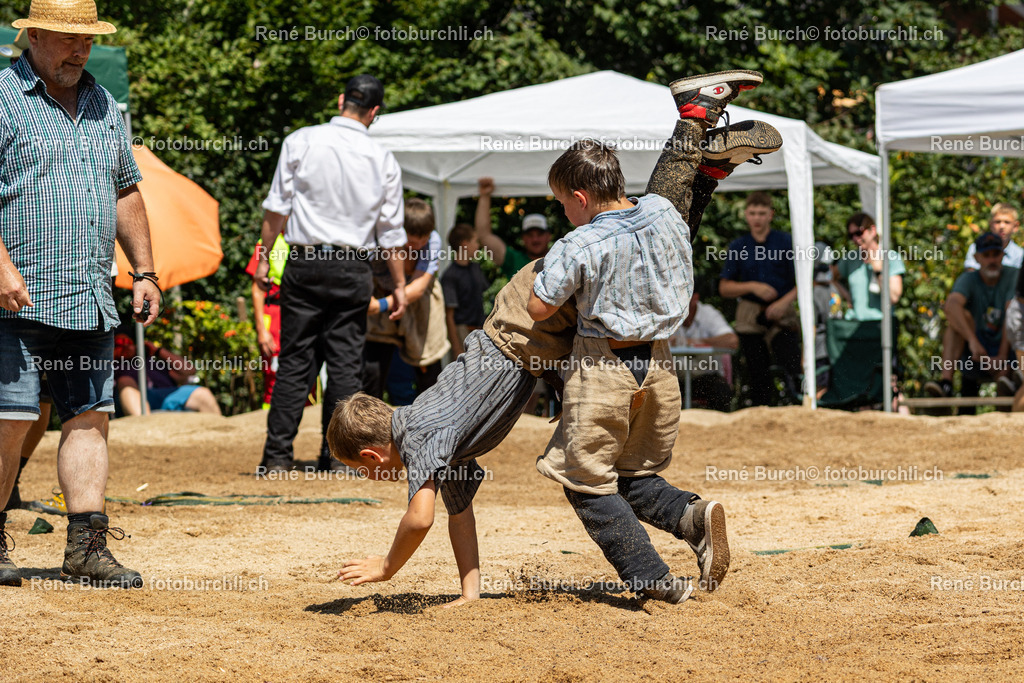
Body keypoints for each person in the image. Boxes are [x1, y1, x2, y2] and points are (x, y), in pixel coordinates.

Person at [331, 70, 782, 607]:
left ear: (372, 455)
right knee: (654, 233)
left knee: (632, 239)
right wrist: (470, 593)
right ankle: (702, 164)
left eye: (363, 472)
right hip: (542, 346)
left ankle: (694, 131)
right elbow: (458, 513)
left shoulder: (420, 435)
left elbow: (420, 518)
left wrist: (386, 567)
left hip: (519, 330)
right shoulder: (440, 445)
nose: (373, 479)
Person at [529, 71, 779, 602]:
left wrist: (555, 274)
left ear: (580, 197)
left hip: (604, 371)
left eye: (562, 203)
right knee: (633, 477)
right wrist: (696, 170)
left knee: (584, 480)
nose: (563, 213)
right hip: (661, 370)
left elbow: (538, 305)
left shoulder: (579, 243)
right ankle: (693, 517)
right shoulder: (660, 216)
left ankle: (652, 577)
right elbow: (670, 193)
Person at [0, 2, 161, 589]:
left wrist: (145, 271)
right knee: (10, 419)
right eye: (69, 39)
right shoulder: (2, 98)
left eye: (87, 41)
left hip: (89, 295)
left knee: (90, 418)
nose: (81, 50)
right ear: (34, 35)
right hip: (14, 297)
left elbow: (125, 190)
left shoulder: (103, 104)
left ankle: (86, 549)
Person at [254, 74, 408, 474]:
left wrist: (263, 259)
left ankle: (276, 458)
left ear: (341, 100)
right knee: (345, 366)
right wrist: (400, 286)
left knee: (295, 362)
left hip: (304, 263)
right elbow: (391, 233)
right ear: (374, 112)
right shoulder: (383, 159)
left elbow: (276, 208)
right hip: (353, 267)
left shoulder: (300, 140)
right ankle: (339, 460)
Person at [719, 192, 801, 406]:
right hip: (750, 314)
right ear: (746, 214)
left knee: (791, 369)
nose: (757, 218)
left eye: (762, 213)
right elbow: (724, 288)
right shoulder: (738, 246)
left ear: (771, 215)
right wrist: (753, 286)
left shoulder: (786, 241)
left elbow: (804, 280)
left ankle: (795, 409)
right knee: (757, 373)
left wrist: (783, 303)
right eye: (753, 213)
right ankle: (759, 413)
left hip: (783, 312)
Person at [363, 198, 449, 399]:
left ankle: (434, 414)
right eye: (412, 242)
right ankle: (367, 415)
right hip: (381, 295)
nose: (418, 247)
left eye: (423, 241)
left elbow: (419, 287)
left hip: (419, 304)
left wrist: (380, 305)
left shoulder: (434, 241)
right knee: (372, 369)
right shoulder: (379, 238)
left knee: (428, 364)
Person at [924, 232, 1020, 410]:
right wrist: (973, 342)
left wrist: (1002, 356)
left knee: (1018, 312)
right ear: (977, 258)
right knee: (955, 325)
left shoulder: (1013, 275)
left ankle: (1010, 385)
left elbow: (1012, 315)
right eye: (986, 255)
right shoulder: (968, 279)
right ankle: (946, 384)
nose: (991, 260)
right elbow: (951, 306)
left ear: (1002, 255)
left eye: (995, 254)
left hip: (1007, 350)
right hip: (976, 353)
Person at [667, 284, 739, 411]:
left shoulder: (708, 314)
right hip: (675, 379)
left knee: (721, 391)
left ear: (695, 298)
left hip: (705, 378)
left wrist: (693, 342)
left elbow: (732, 341)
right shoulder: (667, 315)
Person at [113, 335, 221, 416]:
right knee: (125, 382)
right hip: (134, 398)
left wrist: (157, 351)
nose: (125, 346)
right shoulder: (112, 366)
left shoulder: (153, 363)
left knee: (203, 393)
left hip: (167, 396)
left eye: (128, 342)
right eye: (119, 344)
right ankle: (144, 426)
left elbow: (189, 370)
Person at [475, 177, 552, 280]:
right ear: (523, 238)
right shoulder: (513, 260)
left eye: (540, 234)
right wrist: (485, 196)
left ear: (548, 236)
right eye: (530, 235)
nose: (535, 239)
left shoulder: (560, 261)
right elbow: (483, 236)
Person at [245, 233, 290, 409]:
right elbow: (257, 288)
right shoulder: (268, 242)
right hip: (275, 314)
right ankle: (270, 416)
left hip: (303, 312)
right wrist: (262, 330)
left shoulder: (309, 237)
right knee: (274, 374)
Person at [832, 212, 905, 321]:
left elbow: (893, 298)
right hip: (855, 323)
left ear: (873, 230)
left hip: (880, 324)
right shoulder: (850, 258)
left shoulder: (891, 257)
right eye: (851, 236)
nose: (855, 239)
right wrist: (848, 297)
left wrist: (879, 272)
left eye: (859, 233)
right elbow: (832, 277)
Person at [441, 223, 489, 358]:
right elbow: (449, 315)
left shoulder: (476, 268)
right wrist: (456, 347)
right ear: (465, 244)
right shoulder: (450, 276)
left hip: (481, 330)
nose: (478, 245)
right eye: (475, 241)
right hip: (462, 331)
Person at [963, 203, 1021, 271]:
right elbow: (971, 273)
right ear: (990, 224)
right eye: (997, 222)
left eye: (1007, 222)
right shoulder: (975, 248)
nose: (1002, 226)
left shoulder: (1019, 255)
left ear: (1015, 226)